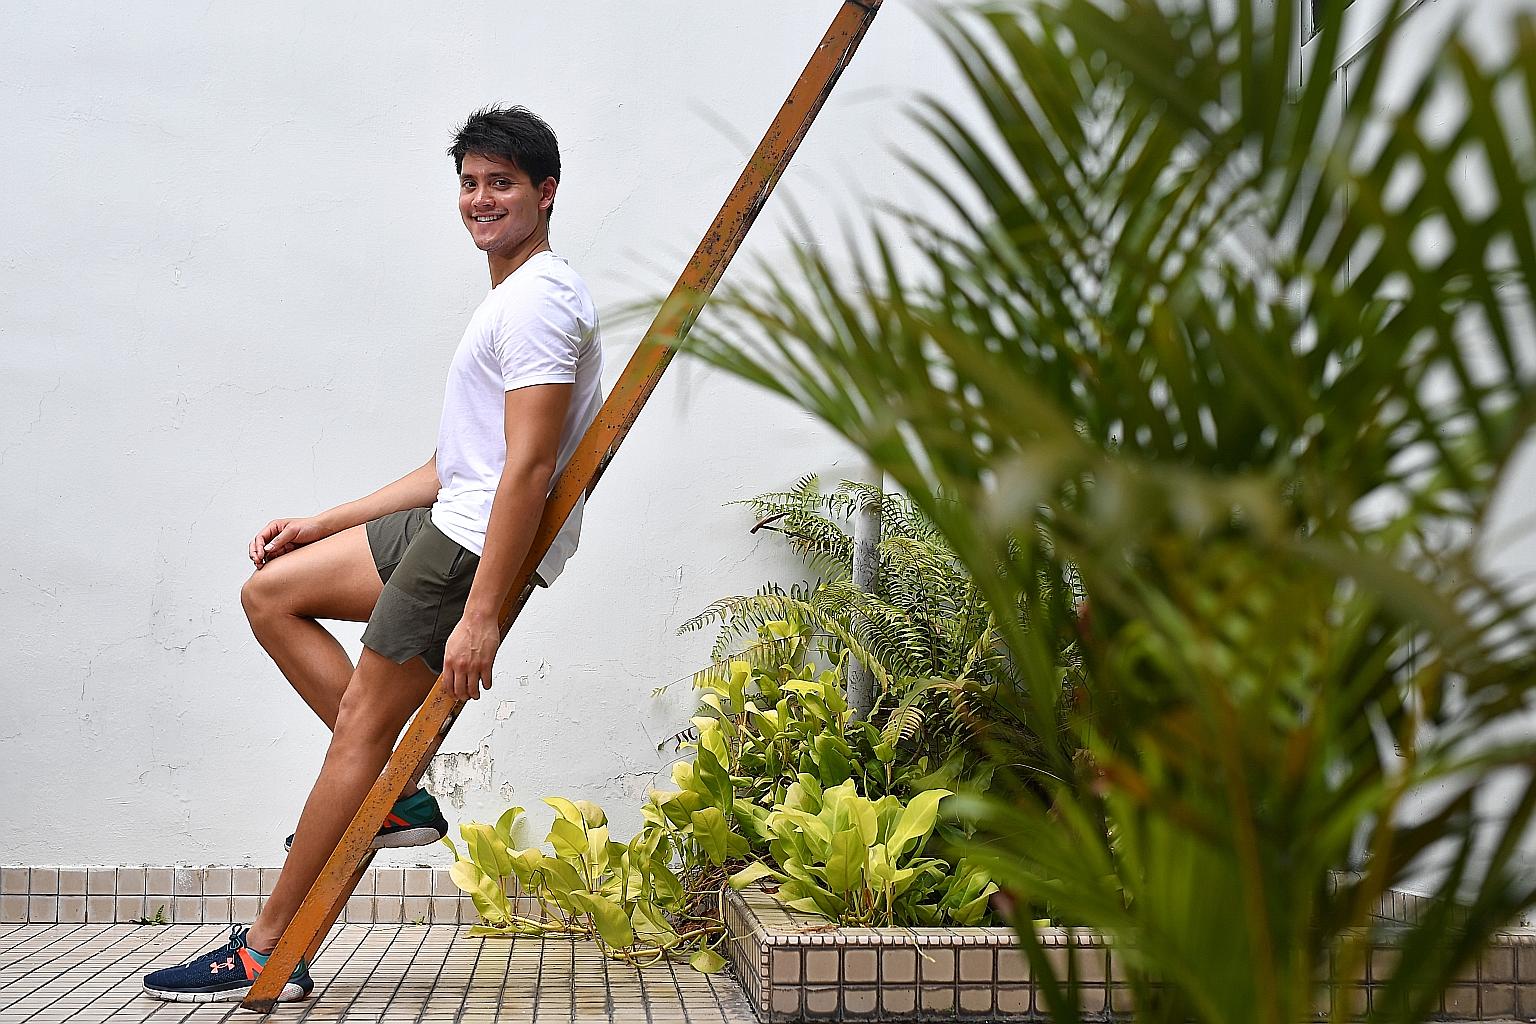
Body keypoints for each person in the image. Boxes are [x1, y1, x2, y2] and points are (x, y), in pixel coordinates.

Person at [143, 105, 604, 1003]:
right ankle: (397, 797)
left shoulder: (540, 302)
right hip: (450, 514)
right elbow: (452, 464)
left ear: (546, 194)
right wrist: (323, 523)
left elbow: (528, 469)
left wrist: (481, 615)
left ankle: (269, 948)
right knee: (272, 592)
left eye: (503, 183)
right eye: (470, 183)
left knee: (359, 728)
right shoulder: (511, 295)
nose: (481, 200)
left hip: (468, 546)